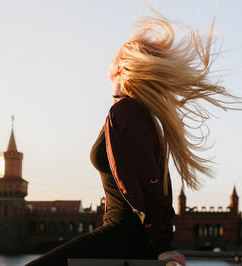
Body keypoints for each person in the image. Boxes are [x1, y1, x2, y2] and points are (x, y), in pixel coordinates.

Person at [26, 7, 239, 266]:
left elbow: (150, 183)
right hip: (123, 237)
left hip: (122, 238)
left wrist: (161, 245)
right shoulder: (132, 111)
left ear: (121, 67)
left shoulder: (127, 112)